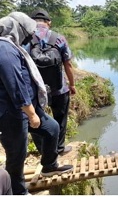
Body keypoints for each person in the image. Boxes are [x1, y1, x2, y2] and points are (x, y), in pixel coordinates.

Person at [0, 12, 73, 195]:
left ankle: (49, 165)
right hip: (12, 112)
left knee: (52, 128)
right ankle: (18, 191)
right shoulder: (4, 49)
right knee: (17, 154)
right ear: (18, 29)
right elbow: (14, 83)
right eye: (27, 34)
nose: (29, 38)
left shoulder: (11, 46)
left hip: (26, 107)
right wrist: (31, 112)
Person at [29, 9, 76, 155]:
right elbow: (67, 64)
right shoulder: (59, 38)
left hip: (34, 88)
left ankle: (43, 150)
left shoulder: (26, 37)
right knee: (60, 117)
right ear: (49, 22)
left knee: (36, 117)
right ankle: (59, 149)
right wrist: (72, 84)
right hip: (59, 87)